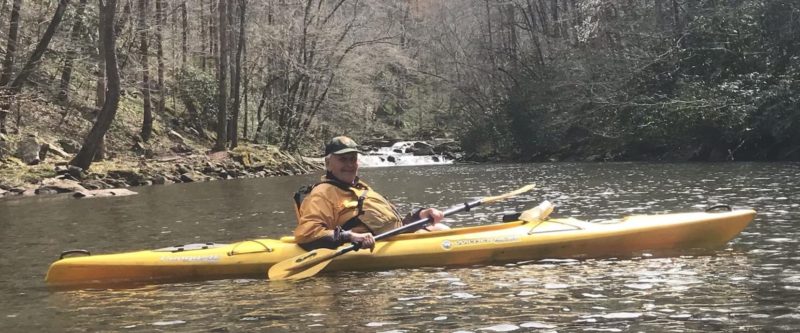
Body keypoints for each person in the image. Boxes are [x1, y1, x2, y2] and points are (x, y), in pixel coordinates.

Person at [293, 136, 449, 251]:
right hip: (364, 247)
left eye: (353, 159)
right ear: (328, 163)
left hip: (394, 238)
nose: (349, 165)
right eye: (343, 159)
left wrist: (420, 215)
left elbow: (390, 224)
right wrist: (349, 236)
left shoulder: (359, 188)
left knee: (441, 228)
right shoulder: (322, 194)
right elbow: (306, 234)